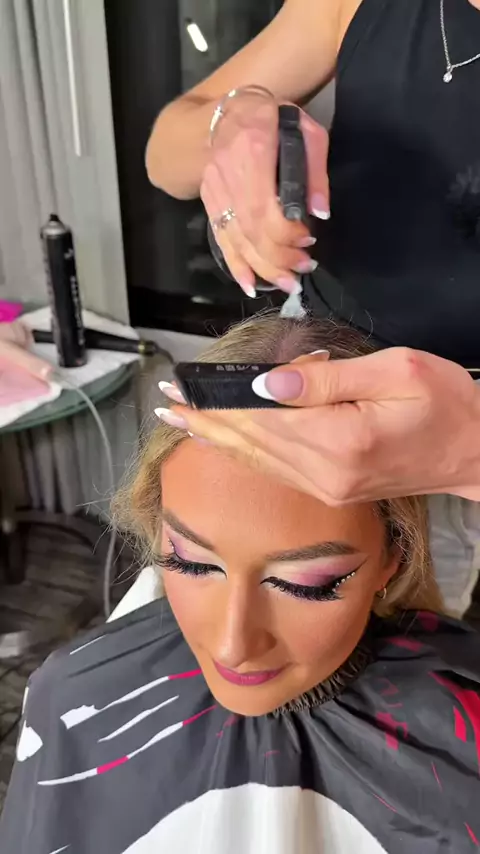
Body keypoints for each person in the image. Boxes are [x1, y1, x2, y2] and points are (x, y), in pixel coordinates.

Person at [2, 314, 479, 854]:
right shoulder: (72, 698)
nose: (233, 646)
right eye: (190, 563)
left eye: (304, 585)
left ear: (395, 556)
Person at [146, 0, 480, 615]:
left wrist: (470, 452)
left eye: (311, 583)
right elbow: (165, 152)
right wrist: (230, 121)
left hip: (459, 441)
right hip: (319, 360)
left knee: (416, 635)